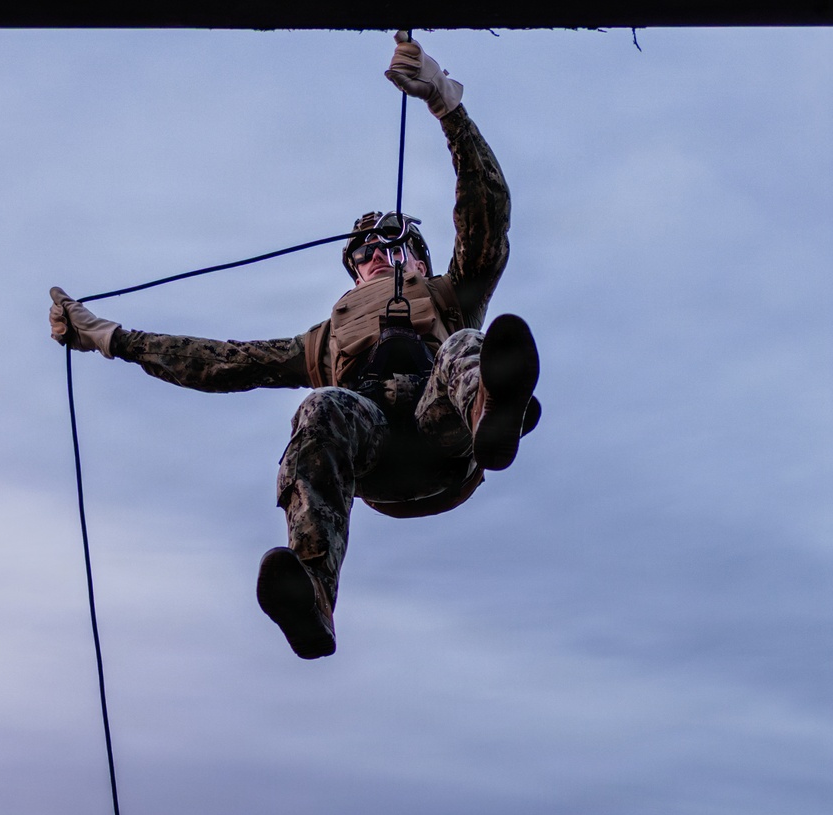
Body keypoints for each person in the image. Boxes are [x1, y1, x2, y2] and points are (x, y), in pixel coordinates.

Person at [50, 31, 541, 660]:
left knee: (465, 344)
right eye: (368, 249)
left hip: (442, 427)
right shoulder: (326, 341)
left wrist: (448, 105)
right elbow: (219, 363)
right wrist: (107, 336)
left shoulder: (450, 295)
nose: (385, 253)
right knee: (320, 407)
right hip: (378, 453)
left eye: (401, 243)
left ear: (420, 255)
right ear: (353, 268)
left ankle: (489, 410)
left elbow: (487, 218)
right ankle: (313, 591)